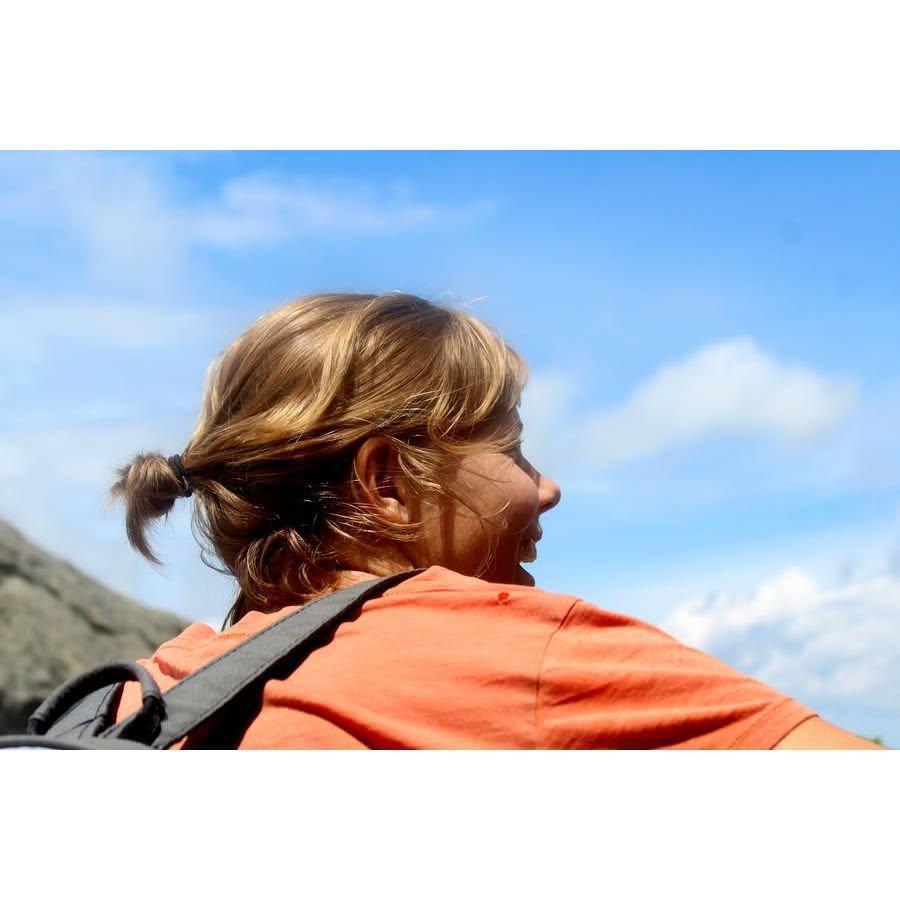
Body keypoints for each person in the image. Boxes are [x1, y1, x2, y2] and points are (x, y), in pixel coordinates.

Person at [110, 292, 883, 749]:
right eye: (512, 449)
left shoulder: (160, 687)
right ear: (387, 483)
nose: (547, 488)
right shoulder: (515, 655)